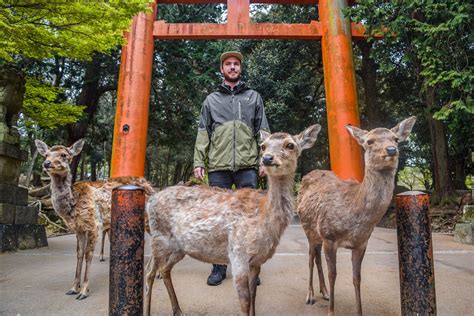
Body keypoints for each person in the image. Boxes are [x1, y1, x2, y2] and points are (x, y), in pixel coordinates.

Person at [193, 51, 270, 286]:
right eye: (228, 64)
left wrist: (264, 159)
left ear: (240, 68)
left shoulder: (253, 97)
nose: (233, 67)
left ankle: (249, 266)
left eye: (236, 64)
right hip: (218, 165)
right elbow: (203, 132)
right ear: (222, 69)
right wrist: (199, 161)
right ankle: (219, 267)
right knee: (219, 218)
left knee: (250, 218)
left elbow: (263, 130)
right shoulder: (211, 100)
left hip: (248, 165)